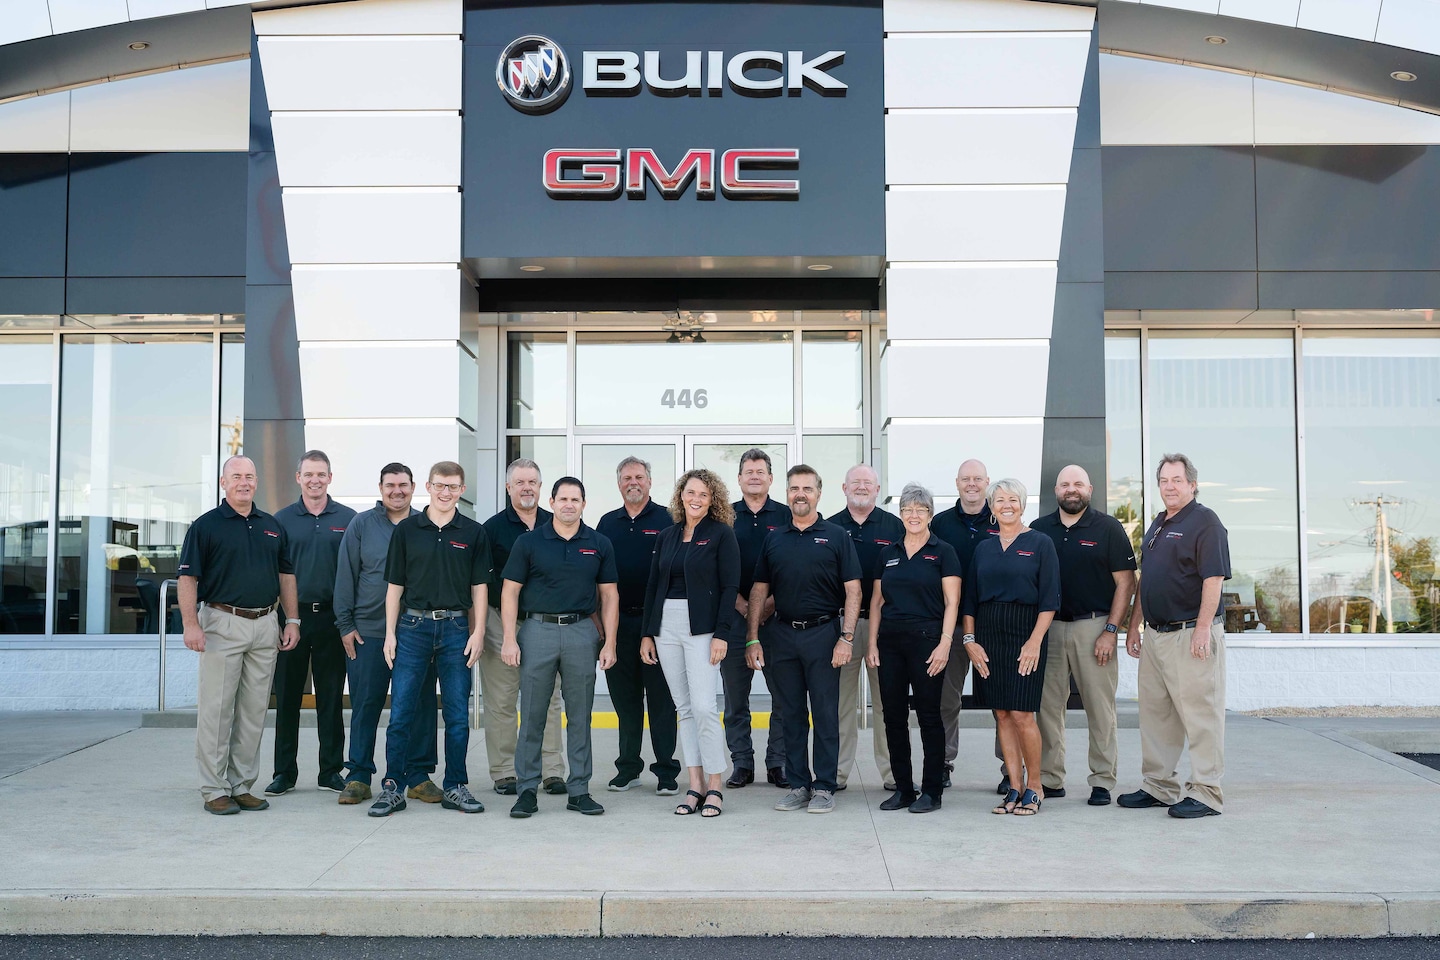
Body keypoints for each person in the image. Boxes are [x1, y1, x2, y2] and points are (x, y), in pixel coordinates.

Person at [178, 455, 300, 815]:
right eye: (236, 477)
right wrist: (190, 625)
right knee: (217, 711)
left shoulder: (272, 526)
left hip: (265, 624)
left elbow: (286, 576)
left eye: (249, 476)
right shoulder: (206, 526)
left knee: (253, 711)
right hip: (221, 622)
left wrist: (291, 619)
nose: (244, 482)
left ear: (256, 482)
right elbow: (188, 579)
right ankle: (214, 787)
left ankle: (242, 785)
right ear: (223, 482)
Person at [368, 461, 490, 817]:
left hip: (455, 630)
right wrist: (390, 634)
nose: (446, 492)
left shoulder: (473, 532)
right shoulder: (407, 530)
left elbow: (479, 588)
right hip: (412, 630)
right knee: (402, 711)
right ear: (428, 486)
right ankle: (393, 786)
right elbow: (394, 588)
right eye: (440, 485)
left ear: (461, 490)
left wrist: (478, 631)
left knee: (456, 713)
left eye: (453, 487)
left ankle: (455, 785)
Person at [1120, 453, 1231, 819]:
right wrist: (1135, 625)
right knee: (1156, 715)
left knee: (1200, 714)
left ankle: (1206, 792)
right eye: (1164, 481)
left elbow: (1213, 580)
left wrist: (1202, 630)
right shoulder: (1158, 524)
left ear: (1192, 484)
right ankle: (1159, 786)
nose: (1170, 486)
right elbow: (1146, 580)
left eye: (1177, 480)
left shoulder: (1206, 523)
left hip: (1189, 633)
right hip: (1155, 635)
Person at [746, 465, 861, 815]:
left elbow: (853, 590)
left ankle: (824, 785)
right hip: (782, 635)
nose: (800, 494)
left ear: (819, 493)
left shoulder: (837, 535)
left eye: (807, 488)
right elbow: (759, 589)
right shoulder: (775, 537)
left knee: (825, 713)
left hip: (824, 635)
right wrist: (752, 638)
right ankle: (799, 784)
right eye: (794, 488)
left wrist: (847, 638)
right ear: (787, 492)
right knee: (791, 713)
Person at [502, 477, 620, 818]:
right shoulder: (529, 542)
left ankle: (579, 790)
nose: (569, 504)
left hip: (582, 632)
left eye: (576, 499)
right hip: (537, 631)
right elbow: (509, 592)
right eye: (563, 498)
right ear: (551, 502)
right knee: (533, 715)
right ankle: (527, 790)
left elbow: (610, 595)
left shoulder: (598, 543)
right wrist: (510, 638)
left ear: (584, 504)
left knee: (580, 715)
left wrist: (609, 642)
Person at [332, 462, 438, 805]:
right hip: (369, 633)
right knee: (366, 703)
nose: (397, 490)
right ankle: (359, 775)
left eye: (403, 485)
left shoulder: (425, 525)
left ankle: (418, 776)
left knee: (420, 706)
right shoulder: (362, 525)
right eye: (391, 485)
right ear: (380, 488)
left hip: (417, 633)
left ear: (413, 488)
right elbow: (346, 575)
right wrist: (346, 626)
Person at [1032, 464, 1137, 807]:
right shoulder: (1038, 529)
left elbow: (1126, 583)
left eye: (1078, 483)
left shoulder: (1108, 528)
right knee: (1048, 708)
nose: (1071, 489)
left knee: (1099, 708)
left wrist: (1111, 631)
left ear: (1089, 489)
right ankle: (1050, 777)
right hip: (1050, 628)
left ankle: (1103, 780)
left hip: (1095, 628)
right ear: (1056, 490)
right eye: (1065, 484)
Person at [640, 469, 740, 817]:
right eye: (690, 492)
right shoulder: (667, 536)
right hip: (666, 627)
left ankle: (716, 785)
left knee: (703, 707)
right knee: (683, 708)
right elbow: (654, 586)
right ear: (681, 495)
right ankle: (694, 784)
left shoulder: (721, 535)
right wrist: (647, 633)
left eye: (703, 494)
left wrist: (723, 634)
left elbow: (730, 587)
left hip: (703, 628)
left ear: (713, 500)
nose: (695, 499)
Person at [960, 477, 1060, 817]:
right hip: (988, 636)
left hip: (1025, 634)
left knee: (1022, 713)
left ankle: (1035, 786)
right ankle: (1014, 786)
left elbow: (1049, 600)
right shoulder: (983, 548)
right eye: (999, 499)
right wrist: (970, 641)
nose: (1006, 504)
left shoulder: (1040, 543)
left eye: (1012, 499)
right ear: (991, 507)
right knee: (1001, 712)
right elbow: (970, 600)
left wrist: (1035, 641)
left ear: (1023, 503)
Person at [866, 482, 961, 813]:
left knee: (929, 715)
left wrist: (945, 644)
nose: (914, 515)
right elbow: (877, 602)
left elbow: (952, 603)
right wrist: (872, 643)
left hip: (928, 641)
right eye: (908, 510)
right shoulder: (887, 553)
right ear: (901, 514)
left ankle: (932, 791)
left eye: (921, 510)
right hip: (890, 642)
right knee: (892, 716)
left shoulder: (944, 551)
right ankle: (904, 789)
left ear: (931, 514)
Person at [266, 450, 357, 797]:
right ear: (298, 478)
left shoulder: (349, 519)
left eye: (321, 474)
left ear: (330, 478)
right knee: (287, 697)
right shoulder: (282, 520)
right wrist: (282, 618)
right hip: (292, 620)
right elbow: (272, 570)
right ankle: (284, 773)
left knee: (331, 698)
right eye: (309, 474)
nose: (315, 480)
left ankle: (330, 771)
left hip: (333, 619)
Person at [480, 458, 567, 797]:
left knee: (549, 699)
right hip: (501, 622)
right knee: (502, 700)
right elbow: (482, 584)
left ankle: (552, 771)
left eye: (532, 482)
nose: (527, 488)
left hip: (545, 624)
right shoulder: (492, 529)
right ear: (508, 487)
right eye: (520, 483)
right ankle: (504, 772)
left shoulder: (558, 522)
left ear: (541, 487)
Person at [597, 456, 681, 795]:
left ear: (649, 482)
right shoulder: (606, 523)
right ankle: (628, 768)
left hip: (658, 625)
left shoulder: (668, 519)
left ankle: (666, 772)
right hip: (618, 625)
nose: (634, 482)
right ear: (619, 484)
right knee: (625, 700)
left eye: (640, 477)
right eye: (627, 477)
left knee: (662, 701)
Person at [826, 464, 904, 792]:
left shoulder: (895, 526)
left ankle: (892, 774)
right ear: (844, 488)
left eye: (867, 483)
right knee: (840, 702)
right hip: (840, 626)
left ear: (877, 489)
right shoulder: (828, 526)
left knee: (887, 701)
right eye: (855, 482)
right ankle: (838, 774)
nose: (861, 487)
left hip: (881, 627)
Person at [929, 458, 1003, 792]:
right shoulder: (940, 524)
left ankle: (1009, 766)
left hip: (996, 626)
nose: (971, 484)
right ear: (956, 484)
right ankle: (943, 763)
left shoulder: (1003, 519)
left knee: (1003, 699)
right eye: (965, 479)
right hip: (953, 626)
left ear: (987, 482)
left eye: (977, 479)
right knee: (947, 699)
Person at [721, 449, 789, 789]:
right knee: (735, 698)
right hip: (734, 617)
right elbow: (715, 569)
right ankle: (742, 763)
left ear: (770, 478)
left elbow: (796, 568)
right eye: (748, 471)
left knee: (783, 695)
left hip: (779, 617)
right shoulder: (725, 518)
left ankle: (778, 762)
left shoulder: (788, 516)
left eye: (760, 471)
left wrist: (768, 606)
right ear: (739, 479)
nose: (754, 476)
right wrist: (744, 606)